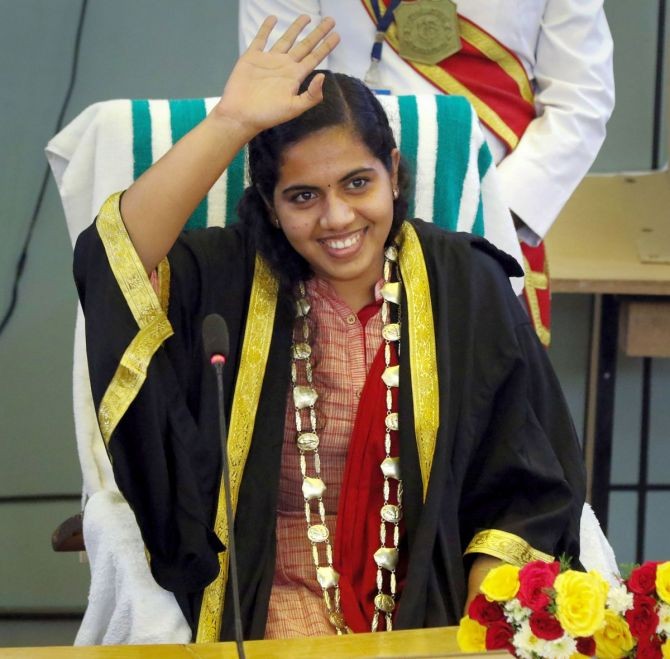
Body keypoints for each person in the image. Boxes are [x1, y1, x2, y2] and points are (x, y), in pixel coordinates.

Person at [74, 16, 585, 642]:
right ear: (269, 203)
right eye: (303, 196)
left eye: (358, 183)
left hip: (433, 610)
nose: (337, 218)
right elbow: (111, 263)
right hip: (266, 609)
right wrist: (229, 123)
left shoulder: (465, 283)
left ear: (393, 172)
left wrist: (480, 635)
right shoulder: (227, 279)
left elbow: (526, 489)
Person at [239, 0, 616, 345]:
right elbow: (281, 90)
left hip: (486, 226)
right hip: (334, 236)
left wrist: (485, 219)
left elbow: (580, 101)